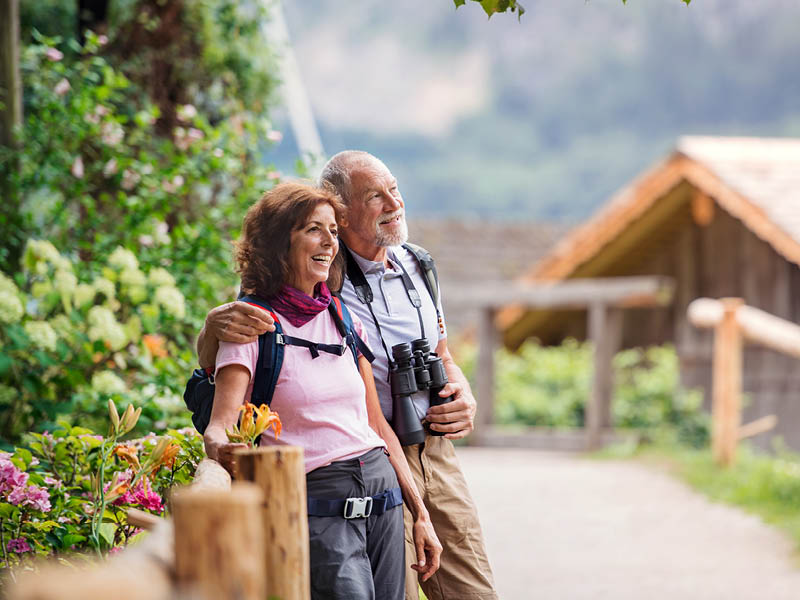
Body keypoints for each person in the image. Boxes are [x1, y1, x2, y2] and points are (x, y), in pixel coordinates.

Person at [198, 154, 497, 600]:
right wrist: (209, 329)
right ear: (343, 207)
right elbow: (235, 346)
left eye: (393, 188)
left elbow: (443, 354)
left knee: (471, 589)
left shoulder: (417, 267)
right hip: (346, 467)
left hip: (425, 449)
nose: (394, 202)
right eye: (375, 195)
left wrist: (463, 391)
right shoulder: (311, 284)